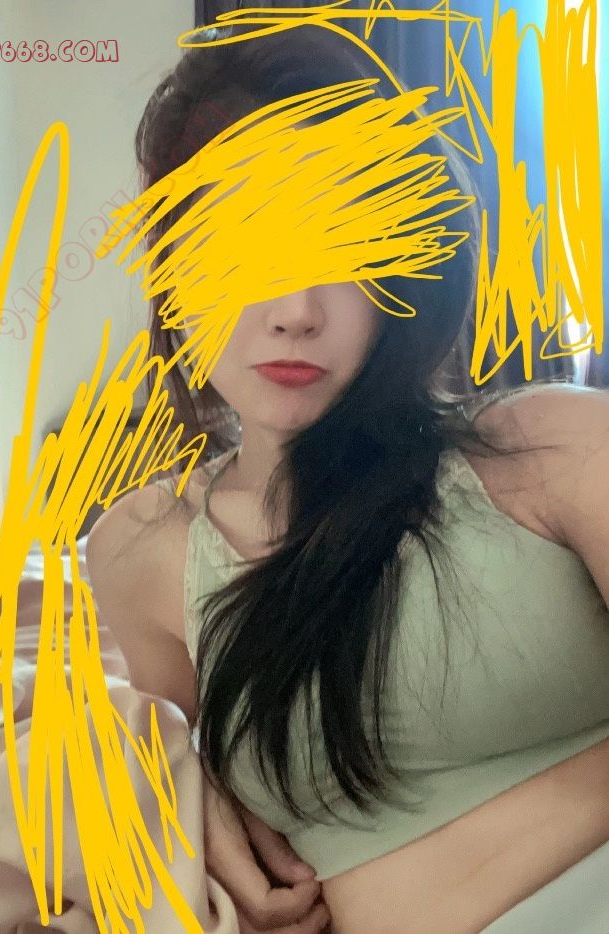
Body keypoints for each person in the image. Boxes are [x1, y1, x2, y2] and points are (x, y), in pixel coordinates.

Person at [86, 25, 609, 934]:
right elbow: (172, 796)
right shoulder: (139, 549)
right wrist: (186, 802)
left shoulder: (550, 446)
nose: (295, 310)